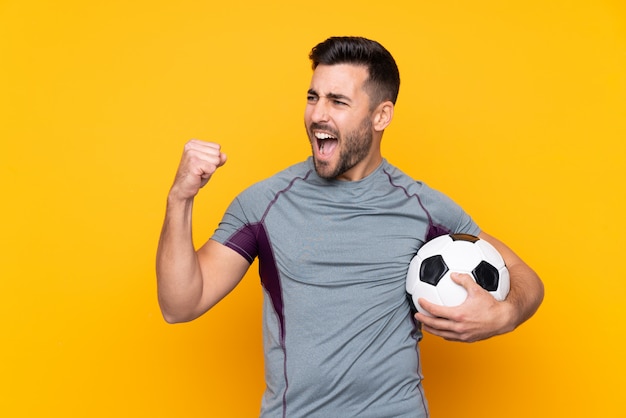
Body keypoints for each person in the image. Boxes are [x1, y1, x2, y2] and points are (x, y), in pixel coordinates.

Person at [156, 36, 544, 418]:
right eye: (313, 97)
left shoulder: (424, 209)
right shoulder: (264, 204)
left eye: (337, 101)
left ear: (381, 115)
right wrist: (180, 198)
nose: (318, 115)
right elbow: (180, 304)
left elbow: (524, 276)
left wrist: (504, 315)